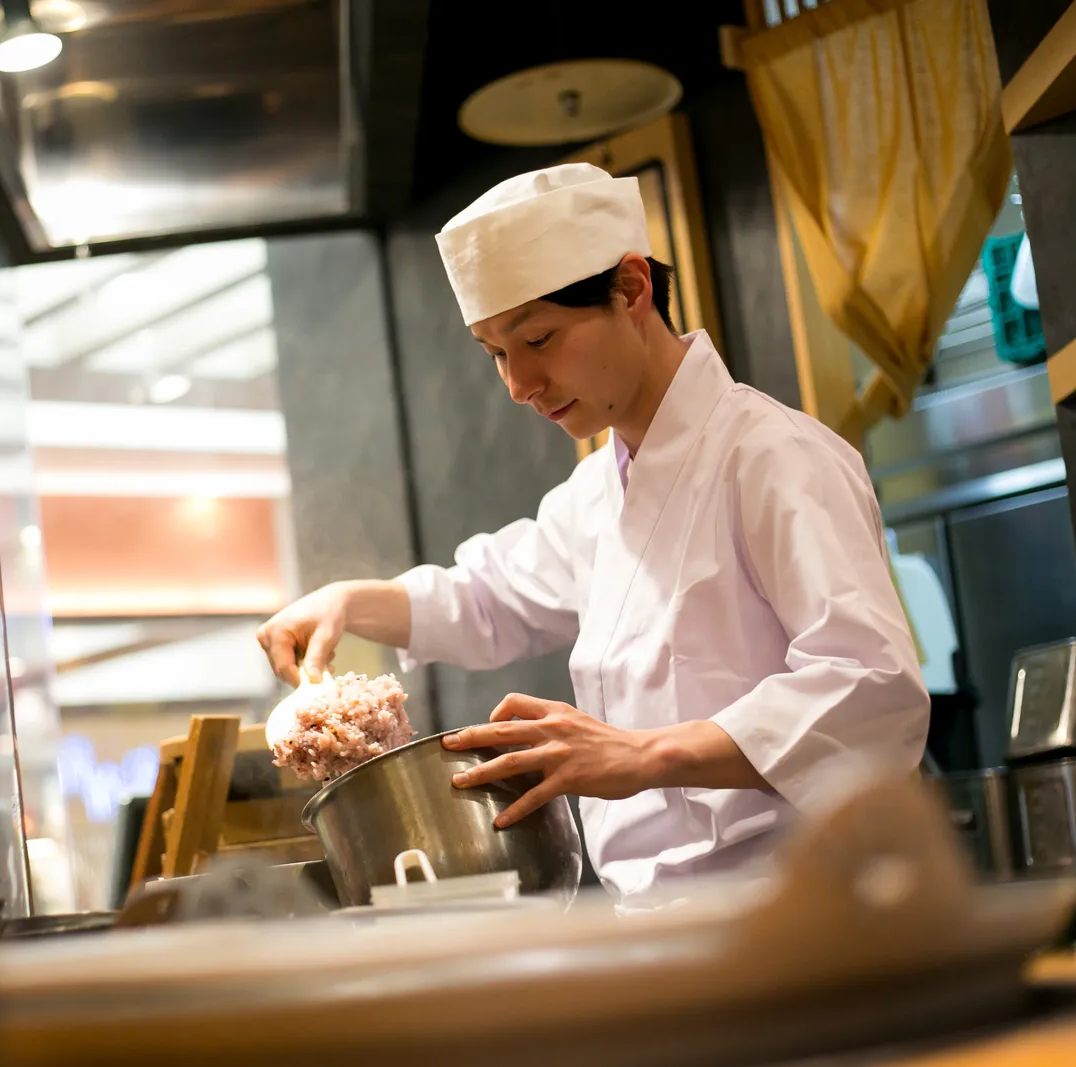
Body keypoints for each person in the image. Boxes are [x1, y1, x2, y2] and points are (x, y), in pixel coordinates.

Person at [256, 163, 928, 905]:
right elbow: (489, 599)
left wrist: (643, 753)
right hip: (654, 928)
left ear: (632, 289)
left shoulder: (772, 456)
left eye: (537, 338)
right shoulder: (598, 491)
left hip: (794, 913)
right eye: (496, 353)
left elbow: (873, 689)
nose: (518, 384)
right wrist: (349, 601)